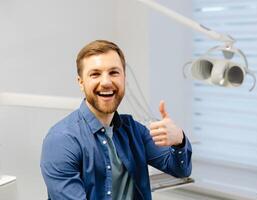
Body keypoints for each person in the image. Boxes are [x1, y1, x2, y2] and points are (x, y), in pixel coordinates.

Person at [40, 40, 192, 200]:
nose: (106, 82)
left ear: (124, 78)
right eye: (95, 74)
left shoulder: (134, 130)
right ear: (81, 82)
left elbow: (180, 170)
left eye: (114, 72)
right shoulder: (61, 141)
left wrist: (178, 140)